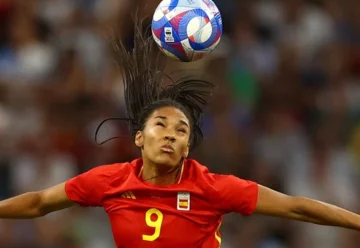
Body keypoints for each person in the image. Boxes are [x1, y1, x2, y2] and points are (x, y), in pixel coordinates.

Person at [0, 17, 359, 248]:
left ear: (188, 147)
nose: (171, 134)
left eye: (181, 130)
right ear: (139, 137)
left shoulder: (211, 187)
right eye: (161, 125)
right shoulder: (109, 181)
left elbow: (297, 207)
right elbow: (38, 203)